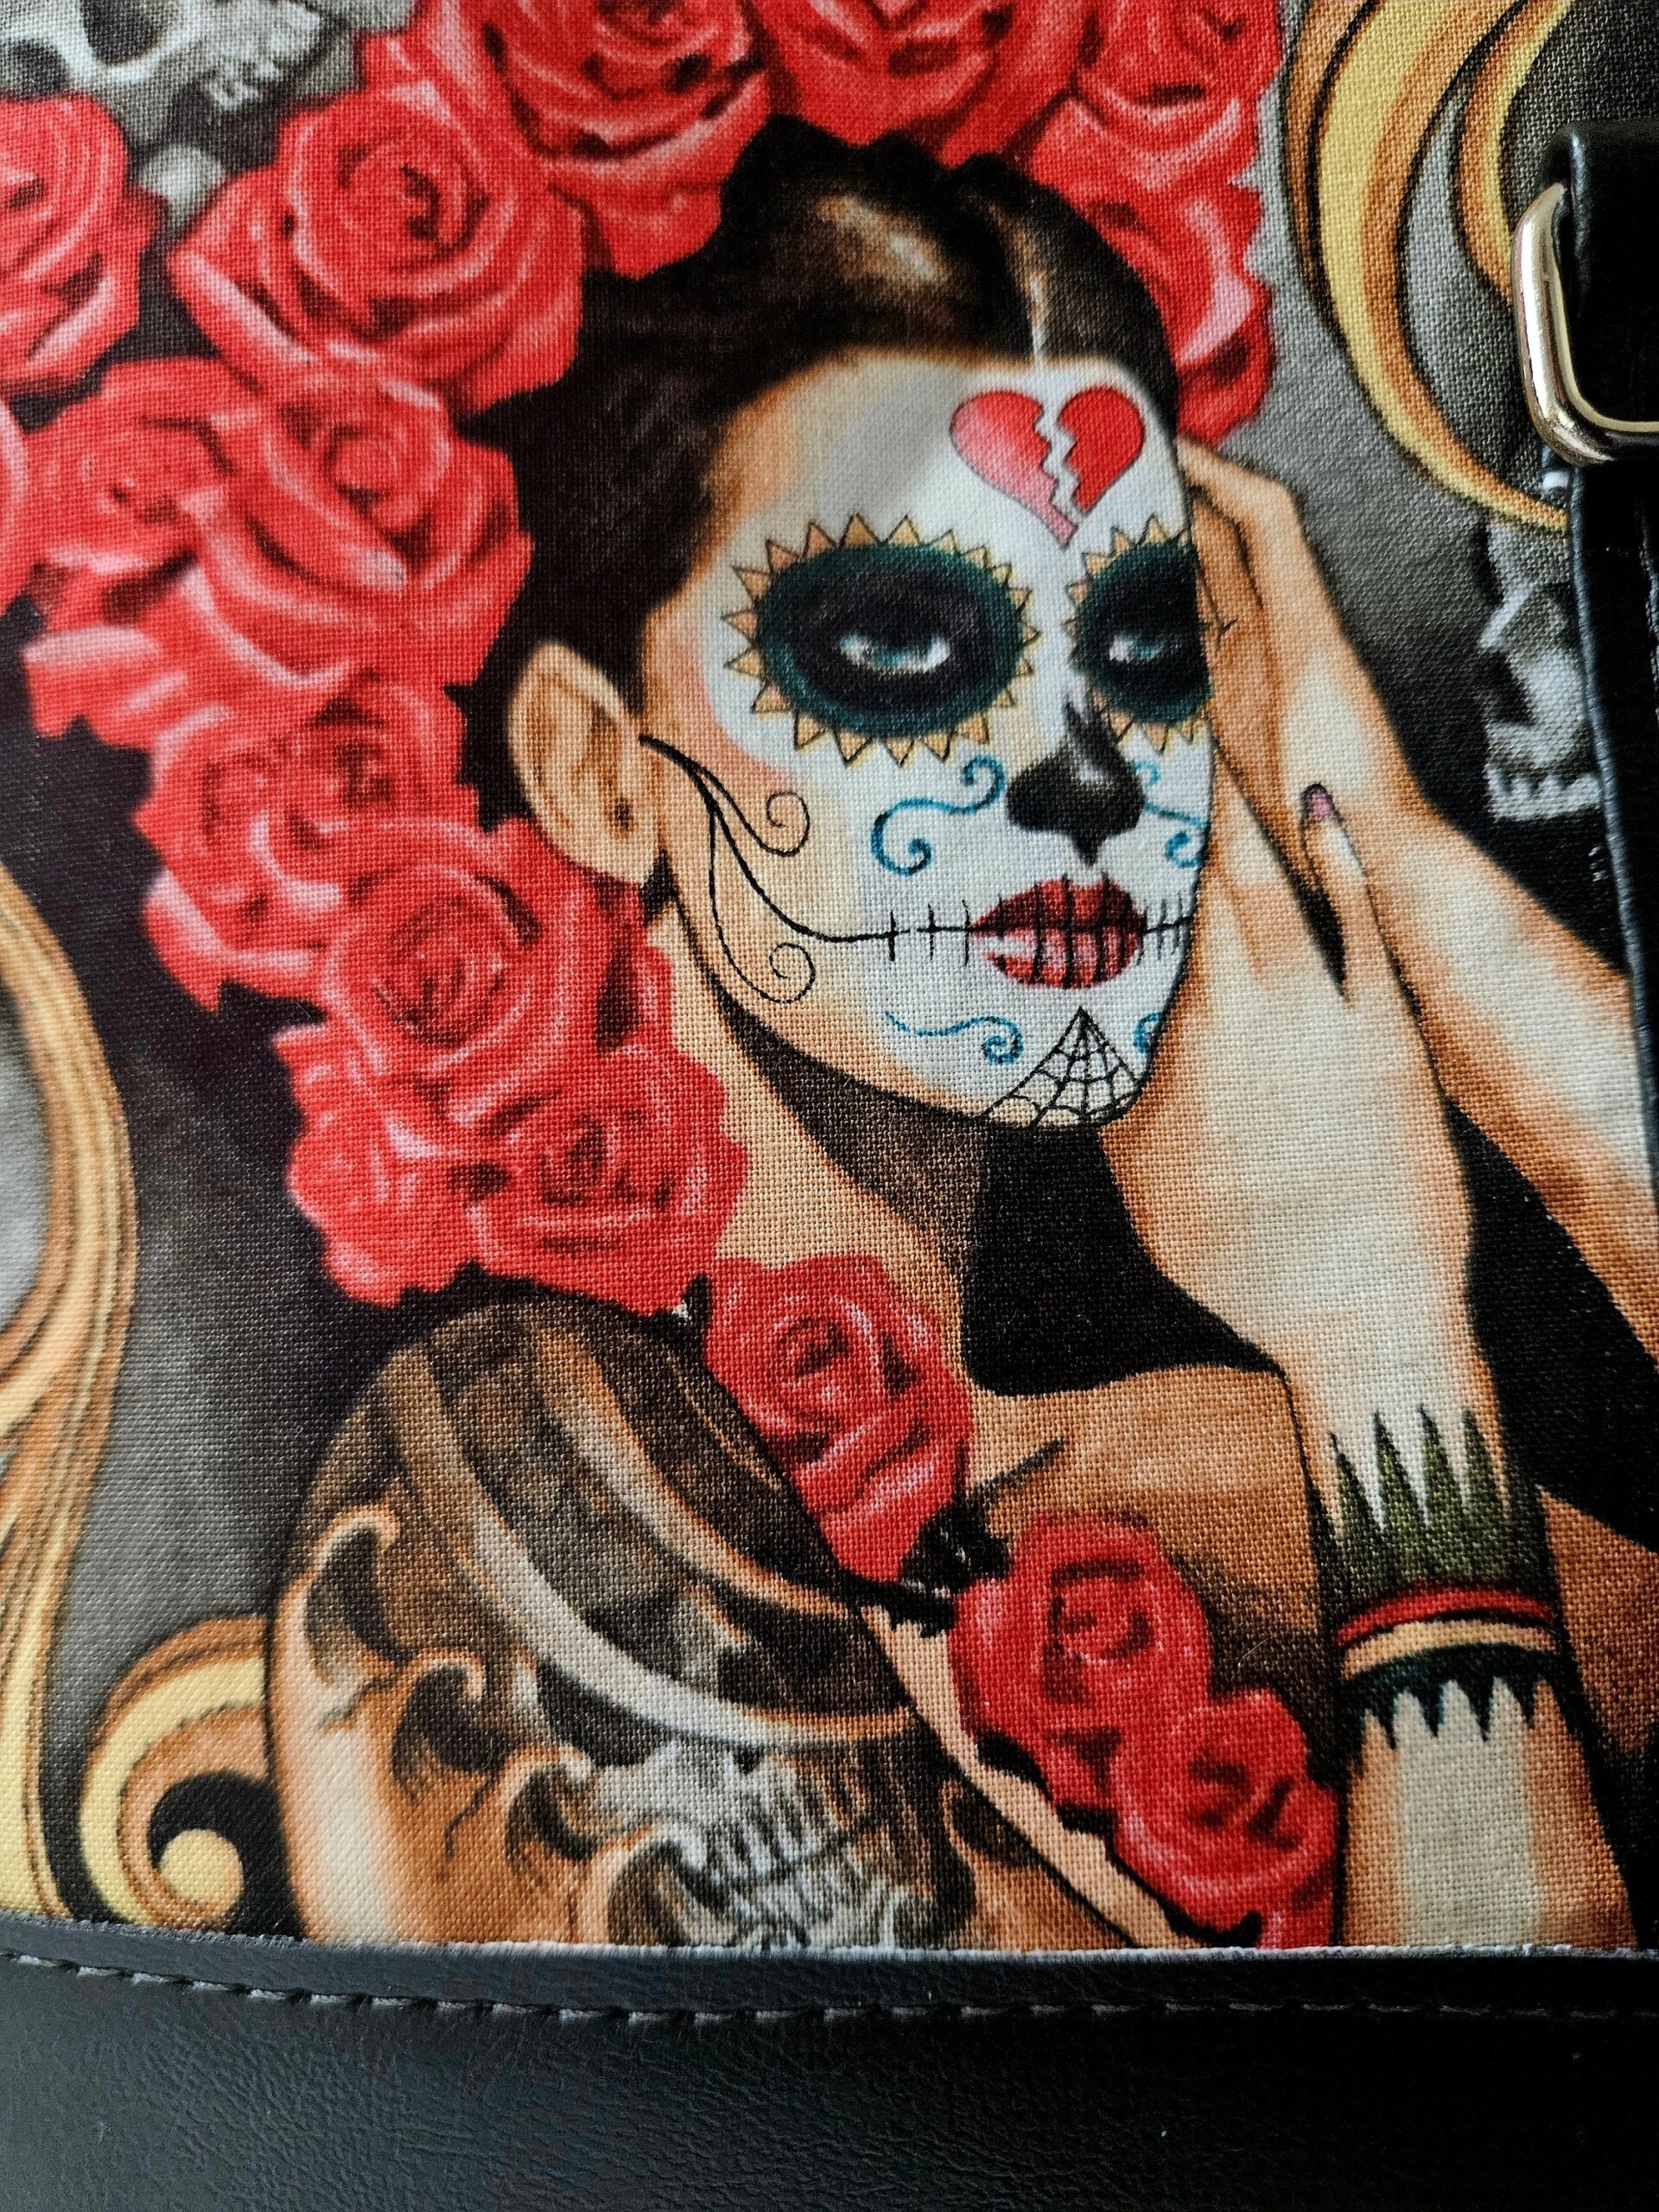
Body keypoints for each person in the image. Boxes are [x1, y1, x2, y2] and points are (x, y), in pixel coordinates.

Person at [270, 121, 1653, 1953]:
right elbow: (1490, 2093)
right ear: (601, 770)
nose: (1092, 779)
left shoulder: (1215, 1458)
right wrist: (1388, 1352)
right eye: (907, 651)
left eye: (1149, 654)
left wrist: (1393, 867)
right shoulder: (521, 1474)